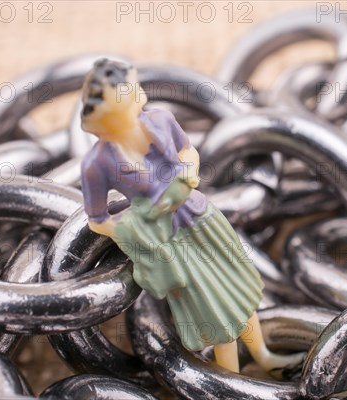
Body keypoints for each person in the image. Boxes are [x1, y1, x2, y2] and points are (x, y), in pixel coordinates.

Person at [79, 59, 303, 375]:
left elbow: (188, 152)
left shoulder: (159, 119)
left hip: (200, 217)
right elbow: (97, 218)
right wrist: (136, 231)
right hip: (170, 240)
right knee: (217, 312)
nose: (137, 94)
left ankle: (263, 355)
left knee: (237, 290)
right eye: (128, 91)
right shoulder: (97, 164)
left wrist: (188, 174)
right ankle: (234, 382)